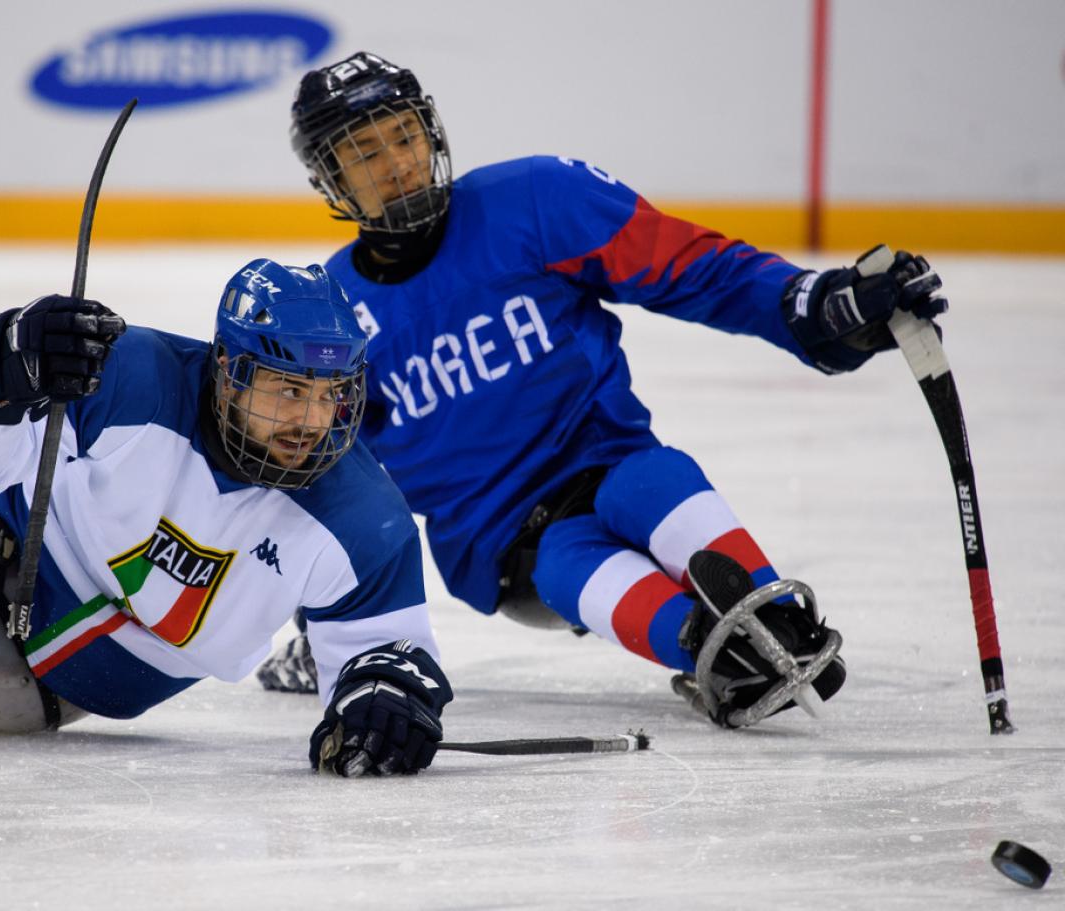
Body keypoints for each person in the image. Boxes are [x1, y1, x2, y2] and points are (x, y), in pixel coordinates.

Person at [258, 51, 951, 729]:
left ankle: (774, 619)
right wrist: (329, 623)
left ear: (431, 132)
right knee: (565, 560)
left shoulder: (535, 202)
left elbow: (687, 266)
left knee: (651, 479)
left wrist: (810, 304)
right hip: (509, 544)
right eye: (367, 152)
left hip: (608, 455)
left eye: (405, 135)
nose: (399, 163)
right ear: (332, 180)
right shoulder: (331, 318)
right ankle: (715, 653)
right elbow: (323, 480)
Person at [0, 258, 452, 777]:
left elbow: (385, 651)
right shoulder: (129, 375)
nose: (313, 421)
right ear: (228, 368)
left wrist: (385, 698)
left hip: (69, 693)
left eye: (331, 393)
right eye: (288, 390)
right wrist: (3, 379)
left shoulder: (365, 518)